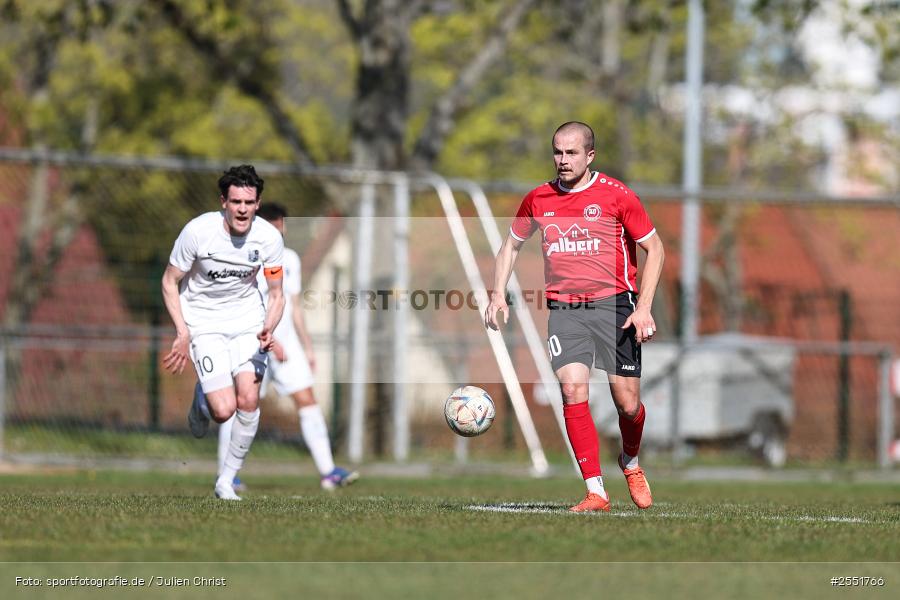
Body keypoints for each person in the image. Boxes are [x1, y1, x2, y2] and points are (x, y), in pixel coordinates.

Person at [485, 122, 665, 512]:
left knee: (628, 404)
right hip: (566, 308)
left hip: (616, 306)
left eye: (571, 153)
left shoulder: (617, 196)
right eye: (557, 152)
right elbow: (511, 246)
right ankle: (595, 491)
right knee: (571, 389)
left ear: (590, 156)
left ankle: (631, 463)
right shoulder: (538, 199)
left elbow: (655, 248)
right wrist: (497, 293)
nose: (562, 160)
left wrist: (643, 307)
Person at [212, 203, 359, 491]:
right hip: (255, 343)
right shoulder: (246, 256)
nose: (279, 228)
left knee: (308, 401)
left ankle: (328, 472)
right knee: (240, 404)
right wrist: (267, 335)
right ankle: (227, 473)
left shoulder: (289, 258)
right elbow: (248, 303)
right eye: (273, 223)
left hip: (287, 347)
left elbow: (292, 306)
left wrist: (308, 347)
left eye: (281, 223)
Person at [162, 164, 285, 501]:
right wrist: (182, 333)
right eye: (235, 202)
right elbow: (170, 281)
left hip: (247, 321)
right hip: (204, 323)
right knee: (223, 410)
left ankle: (226, 481)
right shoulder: (197, 233)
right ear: (223, 202)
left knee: (248, 398)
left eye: (248, 202)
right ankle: (202, 399)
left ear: (258, 203)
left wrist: (268, 328)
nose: (242, 209)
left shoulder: (269, 239)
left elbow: (276, 294)